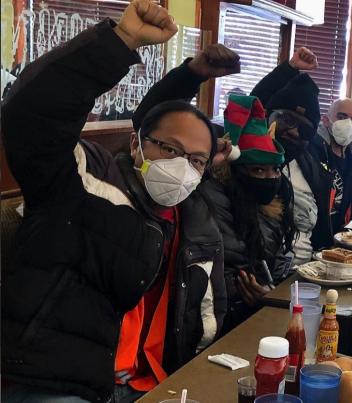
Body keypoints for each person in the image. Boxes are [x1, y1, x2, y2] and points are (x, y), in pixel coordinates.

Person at [1, 2, 226, 402]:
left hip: (153, 381)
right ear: (137, 145)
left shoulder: (195, 221)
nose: (181, 167)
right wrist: (119, 42)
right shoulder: (81, 182)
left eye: (195, 161)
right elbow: (31, 115)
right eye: (169, 150)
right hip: (58, 382)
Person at [207, 94, 297, 335]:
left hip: (257, 312)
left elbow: (274, 268)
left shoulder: (276, 205)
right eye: (258, 169)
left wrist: (271, 293)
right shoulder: (213, 199)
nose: (271, 178)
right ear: (235, 169)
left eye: (276, 169)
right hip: (224, 320)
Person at [247, 48, 325, 265]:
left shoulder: (312, 167)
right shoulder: (248, 160)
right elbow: (253, 105)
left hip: (309, 273)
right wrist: (290, 69)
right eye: (287, 120)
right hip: (263, 275)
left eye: (305, 130)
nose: (293, 132)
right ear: (269, 116)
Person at [309, 98, 352, 235]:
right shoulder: (310, 154)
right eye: (341, 117)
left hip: (343, 242)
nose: (348, 123)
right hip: (312, 239)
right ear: (326, 120)